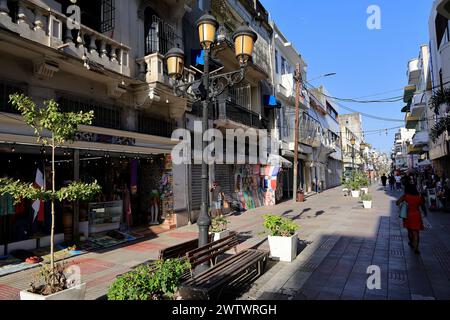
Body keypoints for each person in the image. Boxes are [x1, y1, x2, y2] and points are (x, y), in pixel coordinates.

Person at [396, 183, 426, 255]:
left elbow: (397, 203)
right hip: (416, 215)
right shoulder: (418, 197)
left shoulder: (406, 196)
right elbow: (422, 205)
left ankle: (411, 242)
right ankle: (416, 248)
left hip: (408, 215)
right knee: (416, 232)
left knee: (410, 230)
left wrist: (403, 203)